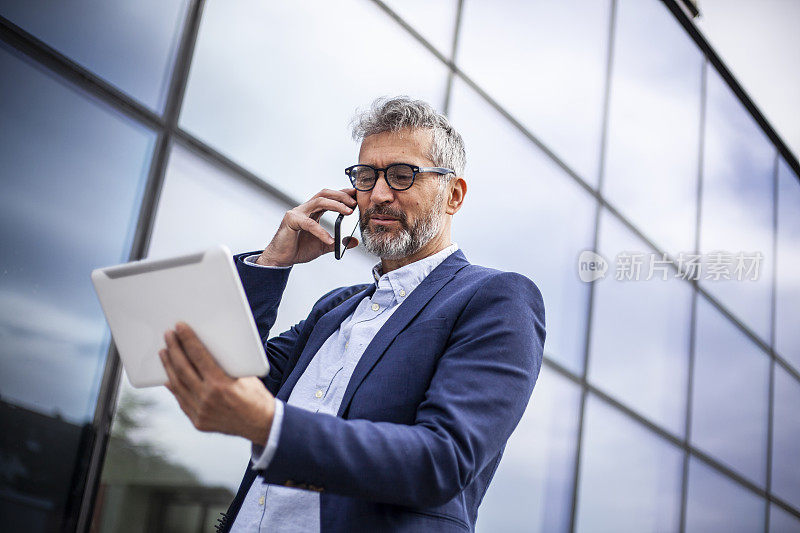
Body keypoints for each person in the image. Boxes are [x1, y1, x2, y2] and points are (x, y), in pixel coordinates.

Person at [159, 96, 546, 532]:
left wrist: (272, 426)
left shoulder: (497, 297)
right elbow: (228, 376)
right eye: (366, 177)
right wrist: (272, 262)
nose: (379, 195)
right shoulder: (335, 308)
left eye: (403, 175)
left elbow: (442, 460)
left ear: (452, 195)